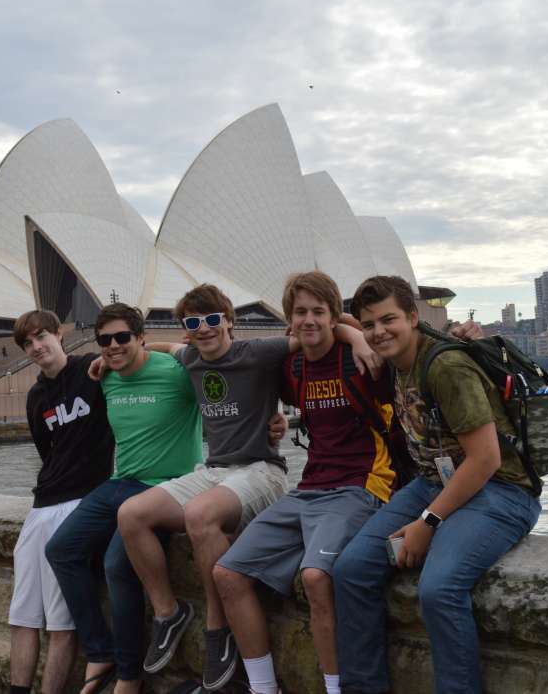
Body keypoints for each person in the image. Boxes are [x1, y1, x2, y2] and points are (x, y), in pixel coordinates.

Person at [113, 284, 378, 690]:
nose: (204, 329)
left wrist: (356, 333)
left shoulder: (259, 352)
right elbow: (168, 349)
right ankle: (169, 614)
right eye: (194, 323)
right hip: (215, 470)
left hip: (261, 470)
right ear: (186, 329)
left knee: (200, 515)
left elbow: (314, 331)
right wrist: (109, 359)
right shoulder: (191, 357)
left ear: (230, 322)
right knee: (130, 514)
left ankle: (217, 631)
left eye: (213, 320)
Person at [333, 276, 541, 694]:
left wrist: (428, 522)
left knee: (439, 588)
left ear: (412, 317)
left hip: (500, 491)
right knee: (350, 570)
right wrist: (348, 331)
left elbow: (486, 459)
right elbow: (325, 318)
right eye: (369, 324)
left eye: (389, 319)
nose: (378, 332)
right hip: (435, 483)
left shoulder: (446, 366)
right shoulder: (396, 358)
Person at [213, 272, 397, 694]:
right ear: (289, 320)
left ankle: (335, 689)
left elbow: (399, 349)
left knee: (316, 577)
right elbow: (237, 364)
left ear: (334, 316)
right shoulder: (292, 367)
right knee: (227, 573)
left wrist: (355, 336)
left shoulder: (360, 358)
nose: (310, 320)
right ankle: (264, 688)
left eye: (319, 311)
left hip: (361, 486)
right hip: (309, 488)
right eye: (301, 312)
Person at [45, 303, 204, 694]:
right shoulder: (105, 377)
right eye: (105, 340)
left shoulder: (175, 373)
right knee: (60, 550)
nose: (113, 346)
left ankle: (129, 678)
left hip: (165, 487)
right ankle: (101, 653)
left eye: (122, 337)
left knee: (118, 563)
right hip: (120, 483)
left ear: (140, 337)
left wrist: (273, 421)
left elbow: (228, 391)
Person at [7, 310, 116, 694]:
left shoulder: (93, 370)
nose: (37, 347)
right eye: (28, 343)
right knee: (22, 616)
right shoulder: (37, 396)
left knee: (60, 623)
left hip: (81, 504)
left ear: (59, 334)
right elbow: (46, 450)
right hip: (41, 507)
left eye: (42, 337)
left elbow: (140, 361)